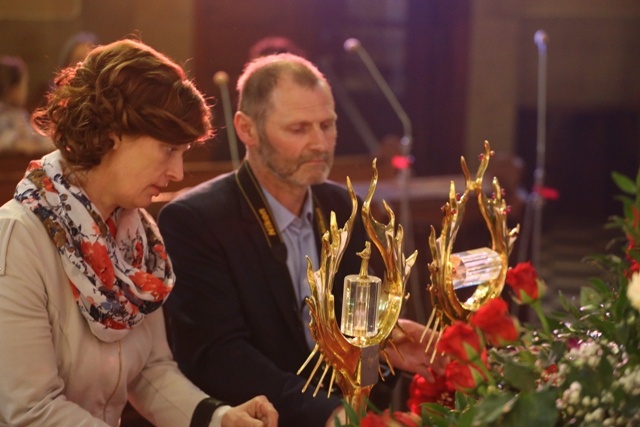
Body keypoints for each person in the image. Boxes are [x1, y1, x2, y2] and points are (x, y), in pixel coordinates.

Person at [0, 39, 278, 427]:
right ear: (111, 135)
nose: (179, 173)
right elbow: (32, 411)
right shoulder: (18, 237)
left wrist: (219, 418)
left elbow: (149, 372)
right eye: (168, 149)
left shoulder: (136, 233)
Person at [158, 53, 445, 427]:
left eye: (327, 125)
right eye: (298, 129)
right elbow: (217, 356)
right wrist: (327, 414)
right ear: (247, 130)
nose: (320, 144)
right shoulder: (195, 220)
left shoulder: (345, 206)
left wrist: (383, 348)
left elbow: (362, 330)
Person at [0, 55, 53, 153]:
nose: (25, 90)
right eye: (23, 84)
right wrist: (15, 143)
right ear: (12, 88)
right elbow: (3, 137)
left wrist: (48, 143)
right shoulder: (2, 113)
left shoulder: (20, 113)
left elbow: (32, 134)